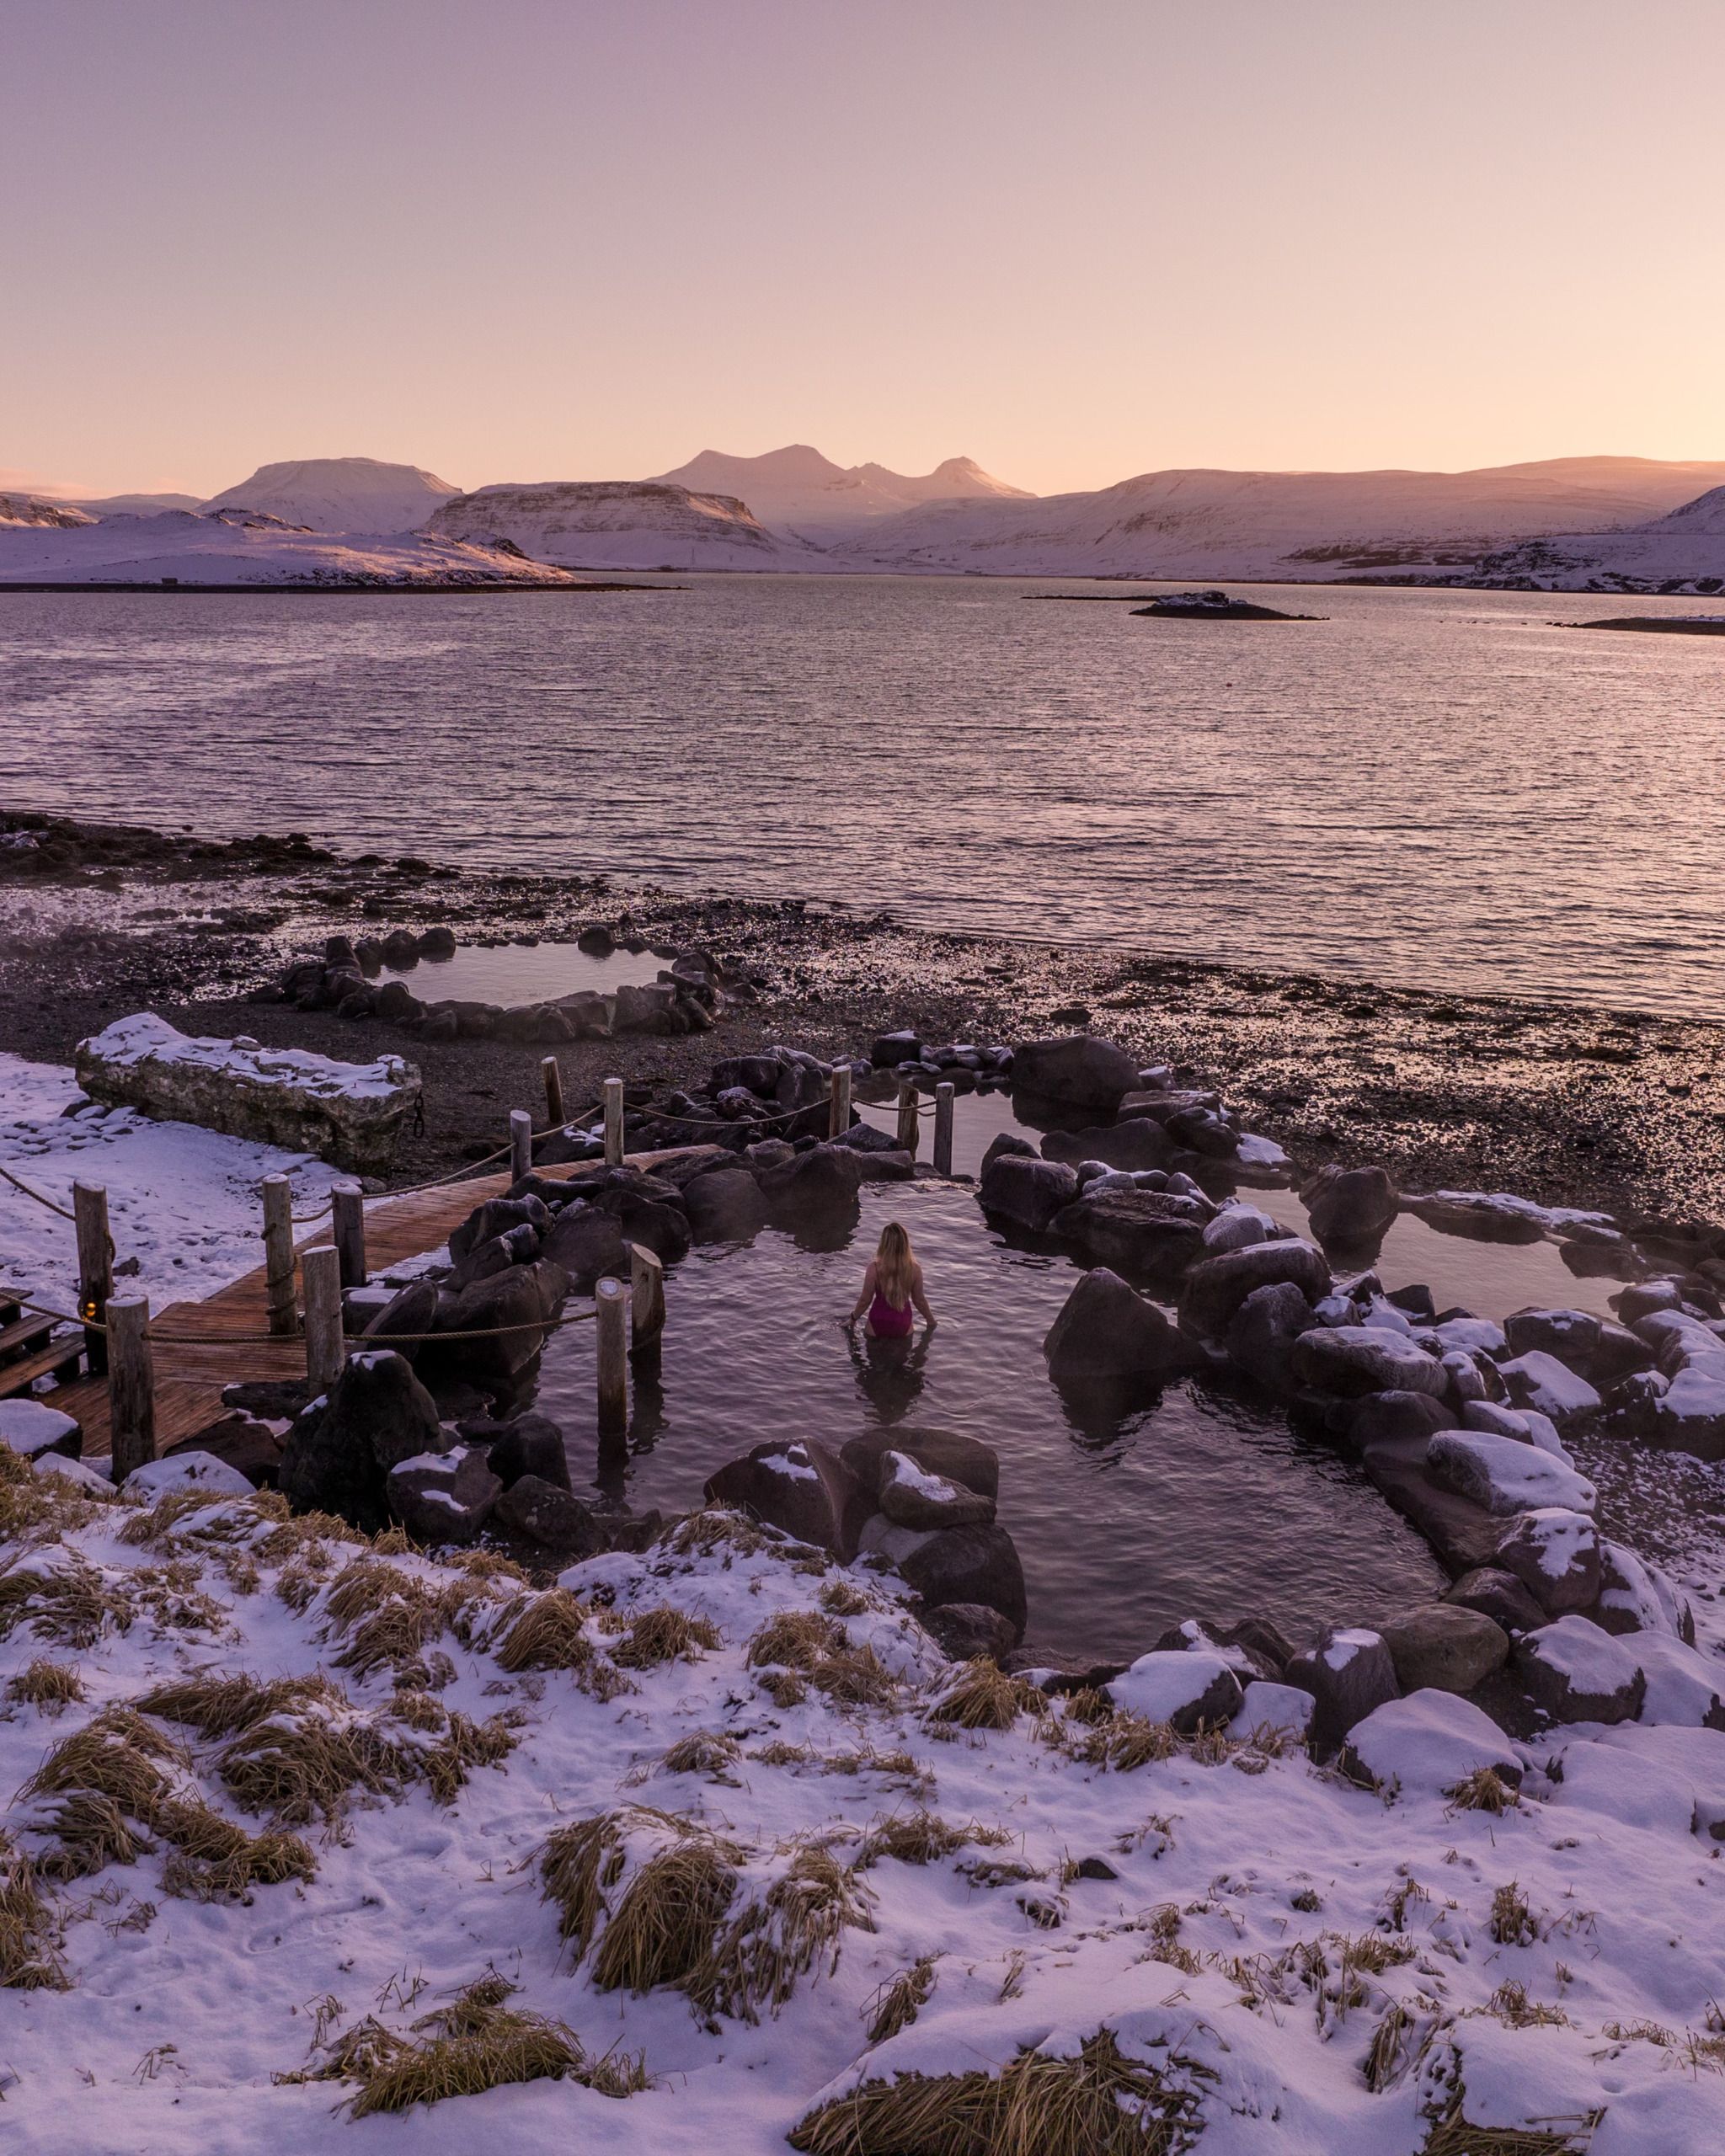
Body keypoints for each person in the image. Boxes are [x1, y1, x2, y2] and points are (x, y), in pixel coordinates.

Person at [847, 1219, 935, 1338]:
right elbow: (919, 1300)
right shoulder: (915, 1269)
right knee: (904, 1356)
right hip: (903, 1323)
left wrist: (853, 1319)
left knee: (873, 1356)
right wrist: (930, 1320)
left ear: (883, 1243)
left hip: (877, 1323)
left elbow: (865, 1300)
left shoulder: (874, 1268)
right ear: (905, 1243)